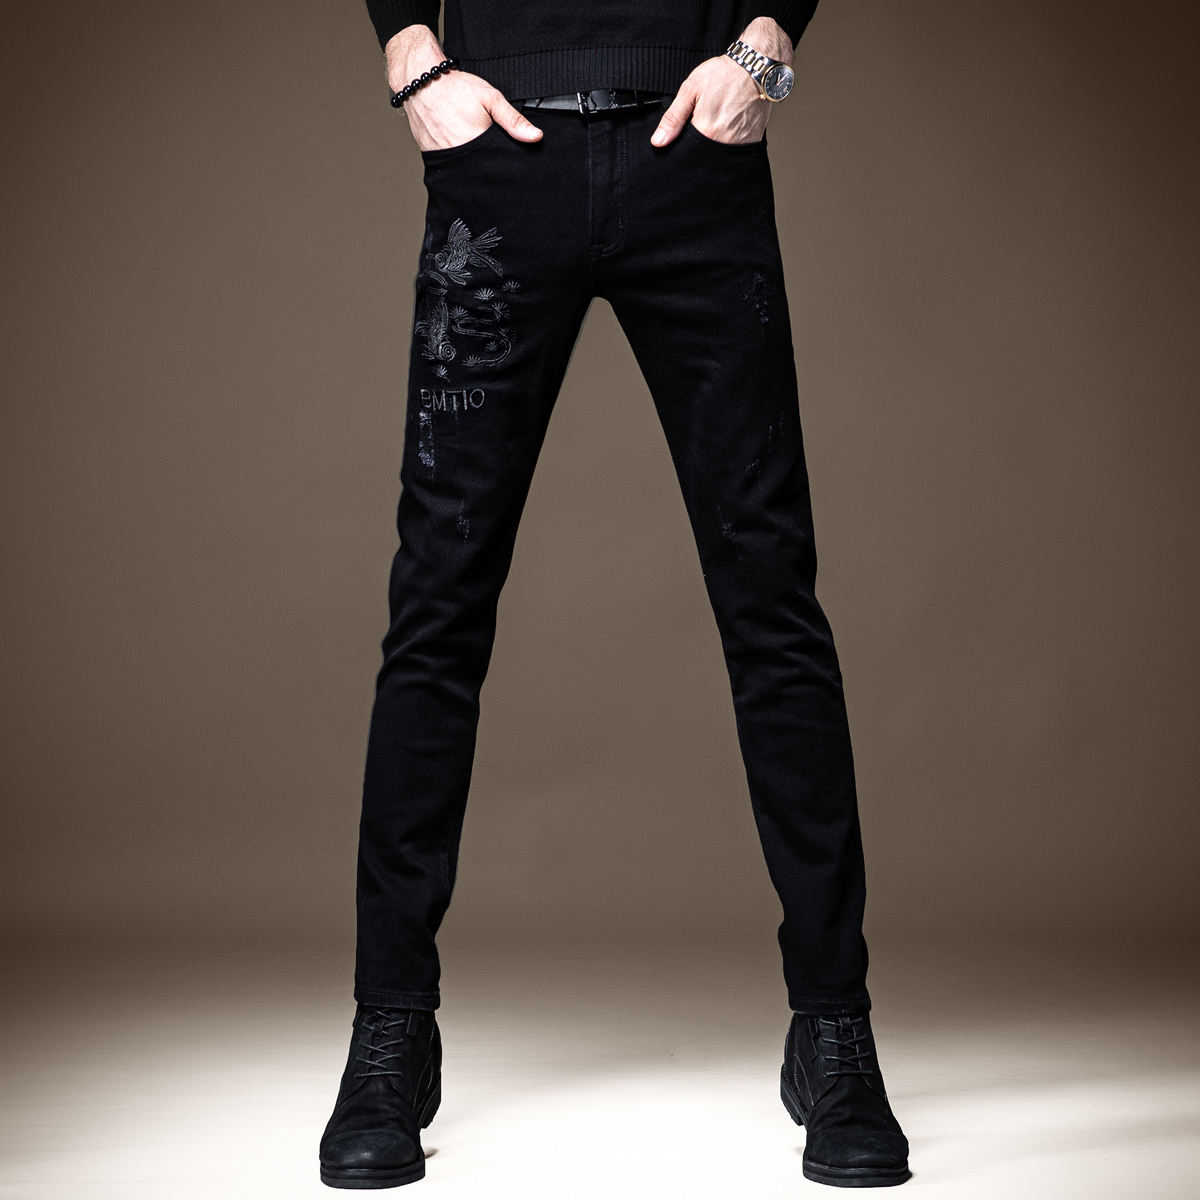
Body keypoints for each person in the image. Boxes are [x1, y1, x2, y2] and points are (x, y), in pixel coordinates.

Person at [320, 1, 910, 1189]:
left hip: (693, 156)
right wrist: (410, 55)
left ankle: (833, 1029)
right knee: (436, 608)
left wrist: (768, 43)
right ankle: (391, 1029)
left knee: (771, 604)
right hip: (502, 161)